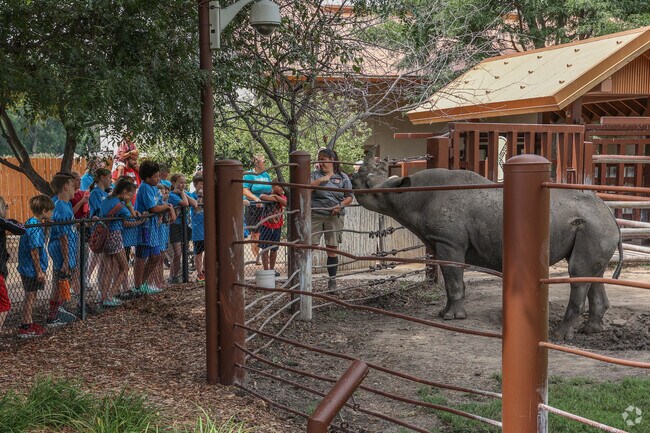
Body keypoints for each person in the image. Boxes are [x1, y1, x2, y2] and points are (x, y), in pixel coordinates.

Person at [310, 148, 353, 290]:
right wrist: (321, 180)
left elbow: (349, 197)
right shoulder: (313, 175)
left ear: (332, 160)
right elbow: (305, 189)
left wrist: (340, 206)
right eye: (319, 159)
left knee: (332, 247)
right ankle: (305, 279)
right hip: (315, 214)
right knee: (309, 246)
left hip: (334, 216)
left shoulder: (343, 177)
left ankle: (332, 281)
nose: (320, 163)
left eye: (323, 160)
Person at [134, 160, 175, 294]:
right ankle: (138, 286)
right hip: (144, 228)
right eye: (156, 176)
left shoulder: (153, 187)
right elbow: (154, 208)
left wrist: (167, 208)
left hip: (154, 227)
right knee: (141, 257)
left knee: (156, 256)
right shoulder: (145, 188)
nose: (158, 179)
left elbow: (160, 203)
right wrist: (168, 207)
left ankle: (143, 283)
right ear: (147, 177)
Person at [17, 195, 54, 338]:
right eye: (50, 211)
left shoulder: (34, 223)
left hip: (30, 269)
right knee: (30, 296)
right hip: (31, 270)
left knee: (32, 295)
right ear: (44, 211)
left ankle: (29, 322)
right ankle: (25, 325)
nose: (52, 214)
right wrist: (39, 271)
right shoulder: (34, 227)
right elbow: (34, 250)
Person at [99, 179, 140, 306]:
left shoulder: (106, 200)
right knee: (124, 267)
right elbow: (133, 216)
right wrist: (128, 204)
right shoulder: (121, 205)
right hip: (115, 236)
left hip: (104, 236)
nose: (132, 197)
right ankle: (110, 296)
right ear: (124, 192)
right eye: (131, 194)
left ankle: (104, 297)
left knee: (108, 268)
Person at [46, 172, 78, 327]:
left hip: (68, 251)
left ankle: (58, 309)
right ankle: (52, 316)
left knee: (63, 282)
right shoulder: (61, 207)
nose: (75, 189)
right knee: (59, 283)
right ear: (66, 186)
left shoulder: (67, 205)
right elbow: (62, 237)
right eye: (72, 185)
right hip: (62, 253)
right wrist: (65, 260)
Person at [0, 196, 26, 334]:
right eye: (6, 207)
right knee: (4, 304)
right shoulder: (2, 221)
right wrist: (9, 221)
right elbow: (21, 229)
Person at [242, 154, 272, 264]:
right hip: (254, 207)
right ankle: (256, 256)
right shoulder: (249, 175)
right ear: (257, 163)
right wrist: (256, 198)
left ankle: (263, 254)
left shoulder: (266, 175)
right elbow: (245, 190)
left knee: (265, 231)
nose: (265, 163)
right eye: (264, 161)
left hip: (266, 207)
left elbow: (270, 189)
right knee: (255, 232)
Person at [167, 173, 195, 284]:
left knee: (185, 251)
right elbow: (185, 203)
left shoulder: (185, 193)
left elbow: (195, 203)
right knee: (177, 253)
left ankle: (180, 274)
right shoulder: (172, 195)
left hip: (185, 226)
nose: (183, 185)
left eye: (184, 183)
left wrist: (183, 193)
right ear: (173, 183)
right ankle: (173, 275)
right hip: (175, 226)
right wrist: (183, 193)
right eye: (180, 183)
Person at [259, 185, 287, 276]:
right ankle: (266, 270)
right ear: (273, 187)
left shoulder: (282, 196)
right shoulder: (267, 194)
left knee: (274, 249)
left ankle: (272, 269)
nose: (281, 189)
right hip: (265, 225)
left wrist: (275, 197)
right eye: (280, 187)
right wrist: (275, 197)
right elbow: (262, 197)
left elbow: (285, 202)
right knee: (264, 248)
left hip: (277, 226)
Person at [188, 173, 205, 282]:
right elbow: (197, 209)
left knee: (209, 251)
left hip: (207, 228)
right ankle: (199, 273)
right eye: (201, 183)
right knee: (198, 252)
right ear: (195, 184)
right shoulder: (192, 196)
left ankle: (205, 271)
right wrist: (200, 196)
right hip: (198, 229)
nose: (203, 186)